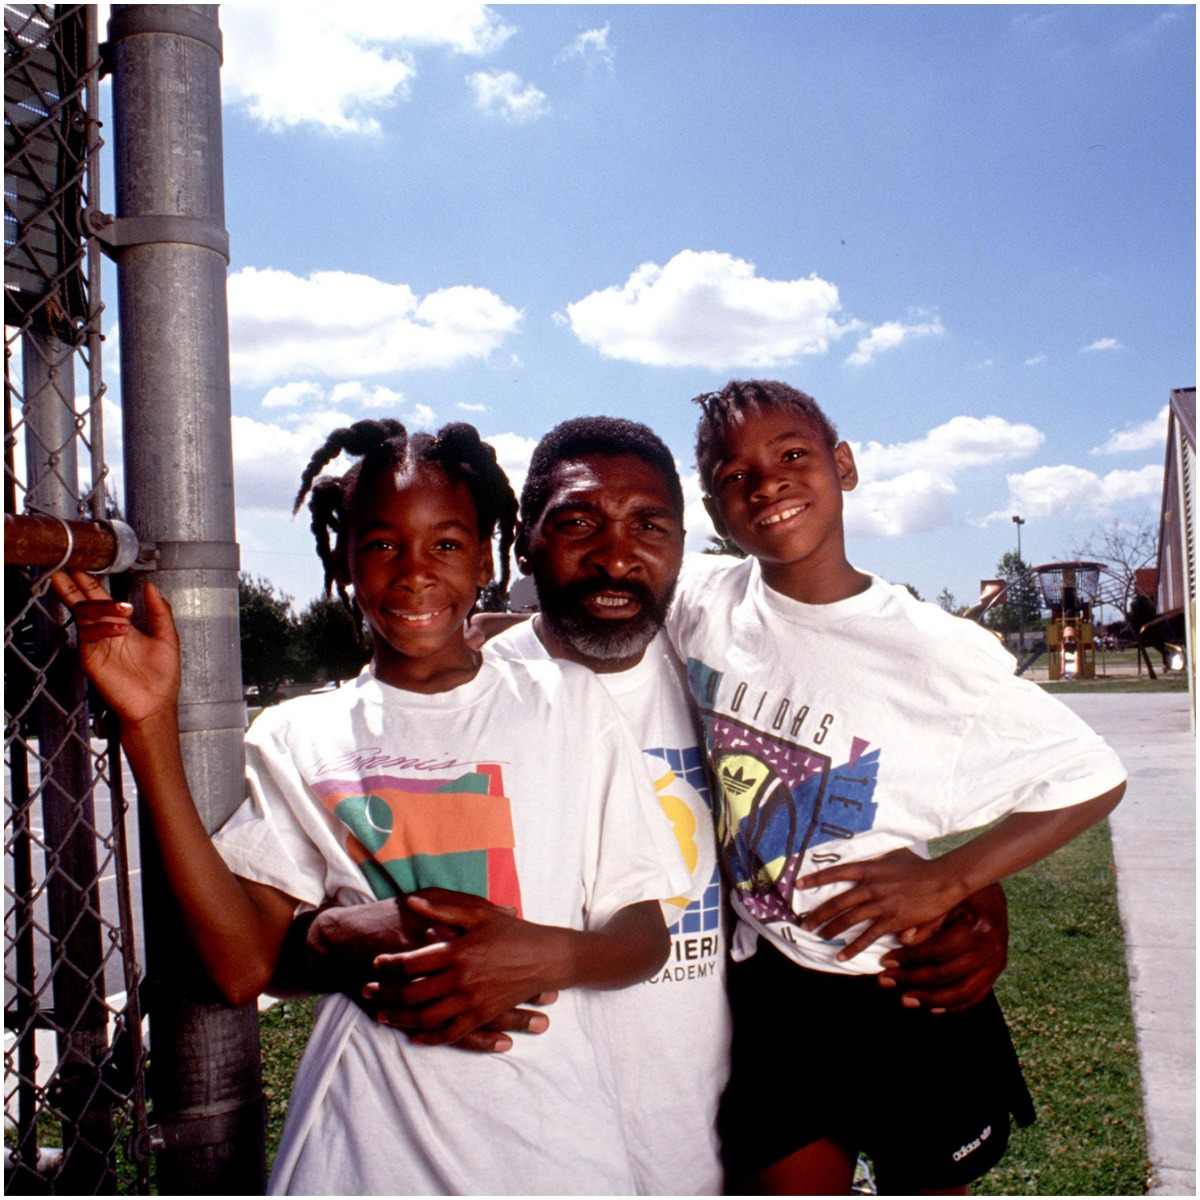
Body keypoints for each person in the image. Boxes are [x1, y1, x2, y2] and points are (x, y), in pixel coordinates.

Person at [290, 415, 1015, 1195]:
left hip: (718, 1124)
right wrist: (338, 935)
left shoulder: (728, 671)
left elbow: (890, 787)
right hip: (539, 1136)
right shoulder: (467, 696)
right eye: (576, 523)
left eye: (648, 527)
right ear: (524, 542)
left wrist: (976, 894)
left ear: (679, 544)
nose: (614, 555)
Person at [52, 418, 690, 1195]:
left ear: (486, 555)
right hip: (361, 1150)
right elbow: (238, 967)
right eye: (383, 545)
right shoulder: (301, 734)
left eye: (447, 544)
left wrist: (538, 954)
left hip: (552, 1144)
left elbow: (642, 937)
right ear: (344, 560)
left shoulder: (570, 701)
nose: (414, 573)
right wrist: (148, 727)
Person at [669, 379, 1127, 1195]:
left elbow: (1090, 776)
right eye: (734, 475)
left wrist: (949, 881)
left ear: (843, 466)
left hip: (902, 982)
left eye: (792, 456)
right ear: (714, 510)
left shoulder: (929, 648)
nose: (765, 482)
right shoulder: (703, 600)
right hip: (772, 984)